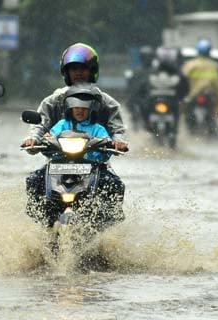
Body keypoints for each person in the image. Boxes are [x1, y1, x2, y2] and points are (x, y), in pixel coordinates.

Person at [21, 42, 128, 226]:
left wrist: (118, 142)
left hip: (94, 162)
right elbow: (41, 123)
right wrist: (34, 139)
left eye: (83, 68)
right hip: (58, 161)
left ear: (92, 70)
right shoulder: (54, 100)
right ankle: (39, 221)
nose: (78, 73)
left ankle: (108, 226)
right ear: (66, 72)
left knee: (113, 184)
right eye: (74, 69)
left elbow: (117, 128)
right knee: (34, 180)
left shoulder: (106, 102)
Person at [181, 39, 218, 125]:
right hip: (209, 96)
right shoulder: (215, 66)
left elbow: (182, 80)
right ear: (209, 51)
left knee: (187, 116)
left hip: (192, 96)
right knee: (212, 118)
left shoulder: (189, 65)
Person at [145, 47, 189, 136]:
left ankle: (150, 128)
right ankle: (173, 131)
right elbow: (183, 87)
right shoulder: (177, 71)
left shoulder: (153, 70)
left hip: (155, 99)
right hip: (169, 100)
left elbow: (145, 85)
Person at [127, 45, 155, 130]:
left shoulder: (155, 70)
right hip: (142, 97)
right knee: (131, 104)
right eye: (145, 57)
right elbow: (131, 86)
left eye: (149, 56)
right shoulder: (136, 71)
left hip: (155, 96)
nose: (147, 58)